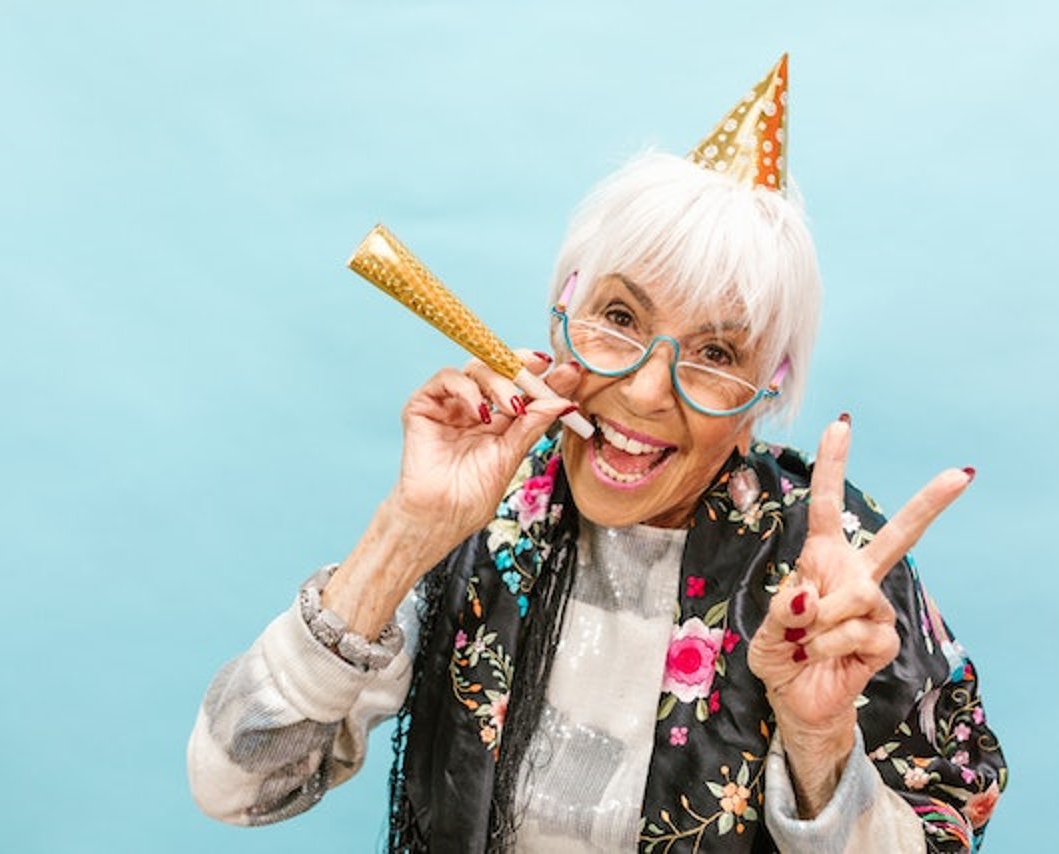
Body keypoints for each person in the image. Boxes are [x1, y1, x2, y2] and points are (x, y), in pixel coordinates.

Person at [187, 55, 1006, 852]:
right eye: (619, 315)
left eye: (717, 356)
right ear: (561, 317)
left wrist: (821, 743)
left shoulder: (834, 572)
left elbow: (947, 816)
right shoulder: (493, 513)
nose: (648, 392)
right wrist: (406, 533)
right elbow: (234, 786)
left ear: (765, 400)